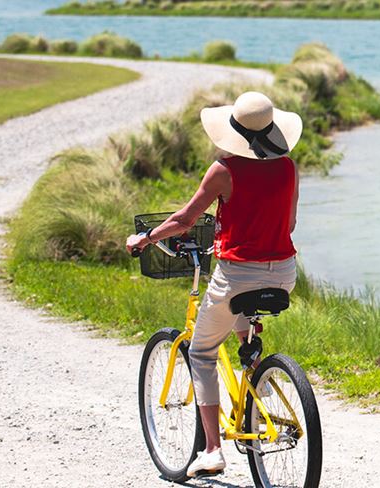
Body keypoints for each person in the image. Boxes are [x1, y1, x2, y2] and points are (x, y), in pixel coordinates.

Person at [126, 91, 304, 478]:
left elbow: (184, 221)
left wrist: (146, 239)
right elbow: (289, 224)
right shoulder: (289, 168)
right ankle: (255, 370)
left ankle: (211, 451)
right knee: (239, 309)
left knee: (202, 352)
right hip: (284, 272)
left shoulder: (224, 170)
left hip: (238, 274)